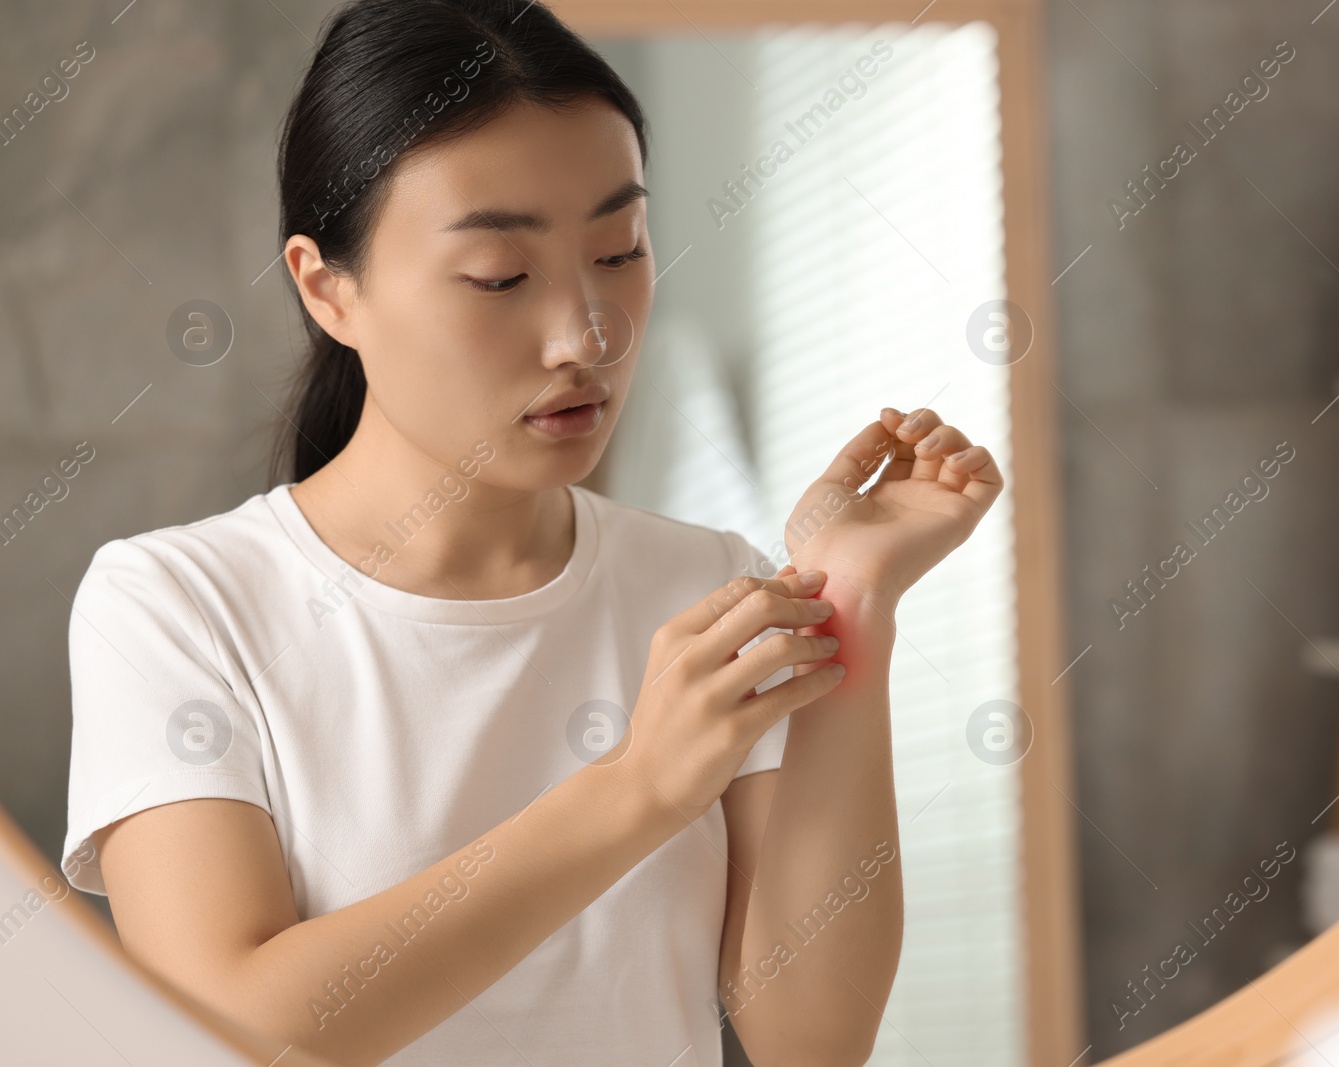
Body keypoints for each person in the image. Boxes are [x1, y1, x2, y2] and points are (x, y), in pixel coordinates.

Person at [59, 2, 1001, 1064]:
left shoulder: (706, 583)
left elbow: (813, 1039)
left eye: (618, 249)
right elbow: (230, 1027)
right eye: (500, 277)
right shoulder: (178, 603)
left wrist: (851, 593)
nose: (586, 333)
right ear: (327, 288)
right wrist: (638, 787)